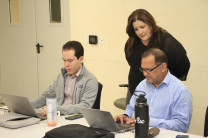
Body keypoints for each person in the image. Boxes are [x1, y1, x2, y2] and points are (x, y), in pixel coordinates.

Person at [114, 48, 192, 133]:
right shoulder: (142, 85)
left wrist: (149, 121)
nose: (144, 74)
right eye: (143, 69)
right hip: (135, 132)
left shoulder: (180, 91)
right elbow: (131, 108)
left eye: (148, 70)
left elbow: (182, 126)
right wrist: (125, 116)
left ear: (163, 67)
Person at [124, 9, 190, 104]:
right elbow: (131, 63)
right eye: (136, 29)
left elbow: (182, 66)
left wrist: (164, 81)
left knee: (155, 118)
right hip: (136, 89)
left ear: (150, 25)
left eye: (142, 27)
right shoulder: (131, 42)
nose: (140, 32)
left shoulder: (166, 41)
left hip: (160, 92)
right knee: (131, 117)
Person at [31, 41, 98, 116]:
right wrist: (29, 106)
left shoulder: (90, 80)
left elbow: (84, 107)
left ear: (81, 59)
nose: (66, 65)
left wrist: (56, 109)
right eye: (64, 60)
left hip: (74, 119)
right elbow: (47, 95)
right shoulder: (62, 75)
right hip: (58, 116)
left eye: (70, 61)